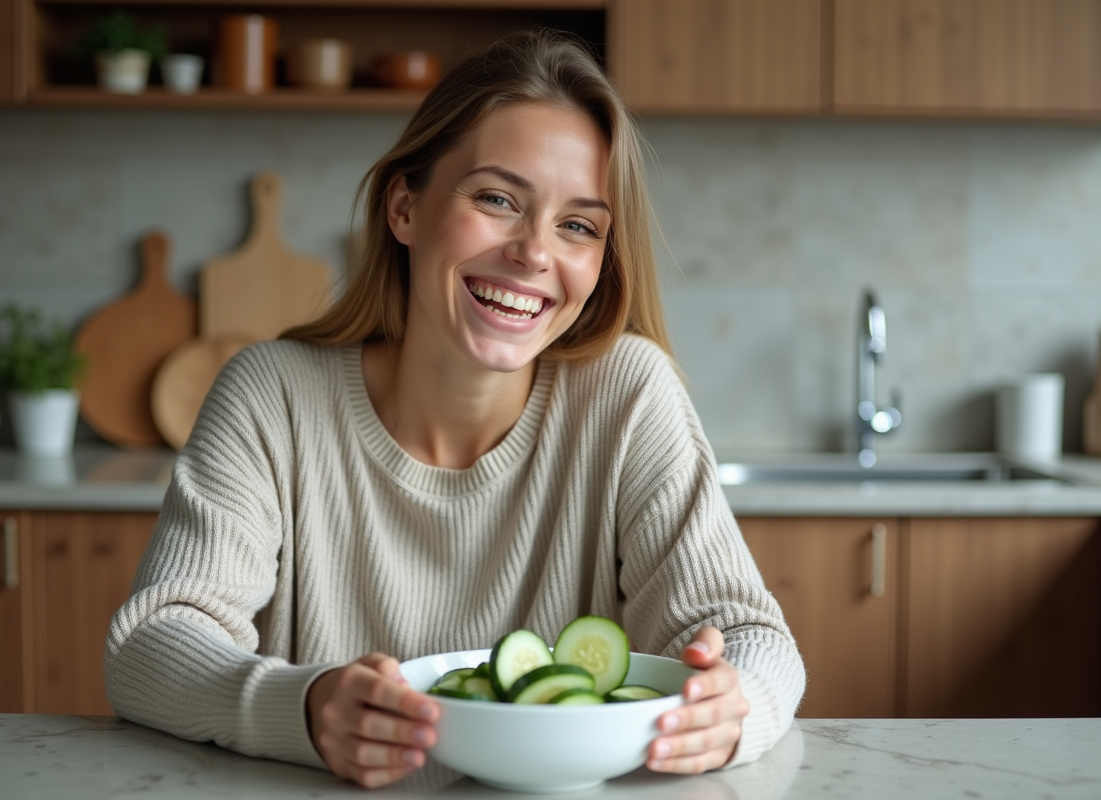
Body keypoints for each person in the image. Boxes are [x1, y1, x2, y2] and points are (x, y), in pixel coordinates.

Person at [105, 29, 805, 790]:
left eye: (577, 225)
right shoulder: (271, 396)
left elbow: (751, 638)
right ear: (405, 207)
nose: (535, 254)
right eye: (498, 200)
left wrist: (731, 704)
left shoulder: (629, 395)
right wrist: (304, 707)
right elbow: (154, 644)